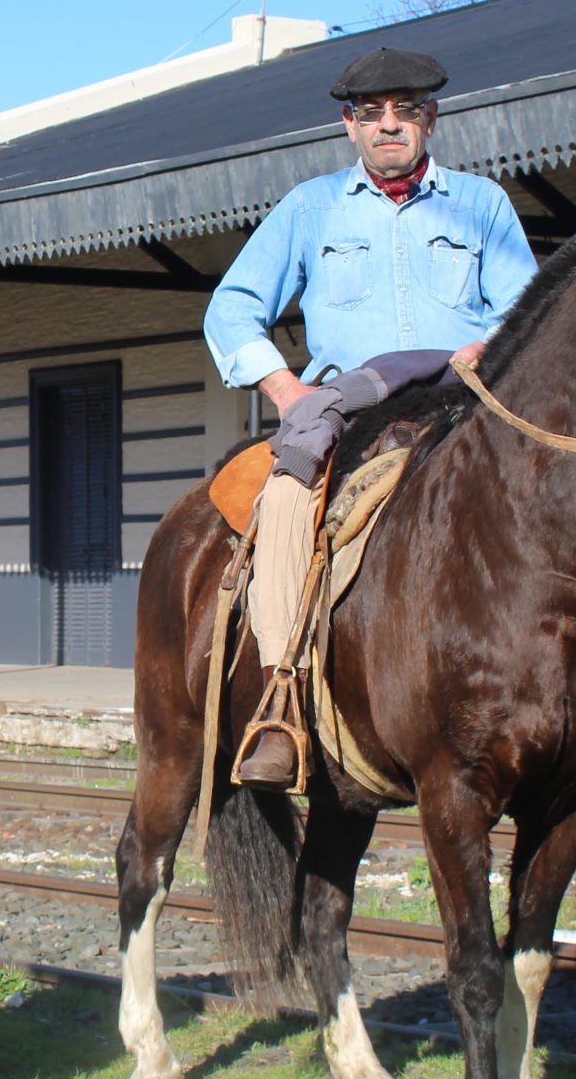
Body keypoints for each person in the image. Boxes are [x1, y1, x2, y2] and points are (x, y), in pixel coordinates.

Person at [201, 47, 539, 788]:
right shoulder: (310, 208)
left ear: (431, 119)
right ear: (348, 125)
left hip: (465, 405)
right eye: (372, 113)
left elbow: (527, 304)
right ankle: (280, 704)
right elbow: (231, 308)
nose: (390, 124)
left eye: (406, 110)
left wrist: (490, 345)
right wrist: (287, 390)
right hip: (353, 413)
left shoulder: (481, 205)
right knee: (287, 498)